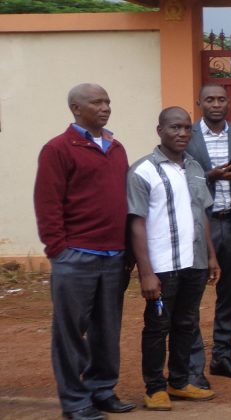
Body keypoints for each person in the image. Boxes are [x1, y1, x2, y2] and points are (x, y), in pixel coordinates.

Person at [34, 83, 135, 420]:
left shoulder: (116, 148)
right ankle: (75, 401)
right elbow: (47, 204)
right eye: (96, 102)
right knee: (70, 333)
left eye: (107, 101)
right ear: (76, 109)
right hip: (75, 256)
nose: (105, 107)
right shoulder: (58, 149)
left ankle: (102, 390)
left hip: (113, 256)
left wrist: (126, 250)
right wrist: (58, 250)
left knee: (106, 330)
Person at [128, 107, 220, 410]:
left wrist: (211, 256)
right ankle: (154, 388)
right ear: (160, 131)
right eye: (174, 127)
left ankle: (179, 382)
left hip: (193, 263)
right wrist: (146, 272)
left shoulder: (194, 167)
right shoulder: (143, 170)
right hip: (162, 267)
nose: (182, 133)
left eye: (186, 128)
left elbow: (201, 214)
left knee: (186, 323)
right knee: (157, 327)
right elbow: (136, 223)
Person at [185, 84, 231, 386]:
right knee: (192, 296)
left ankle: (221, 357)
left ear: (229, 102)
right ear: (199, 102)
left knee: (229, 295)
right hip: (202, 226)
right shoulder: (186, 134)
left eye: (221, 99)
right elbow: (180, 175)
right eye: (210, 99)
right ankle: (192, 365)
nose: (216, 104)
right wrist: (210, 176)